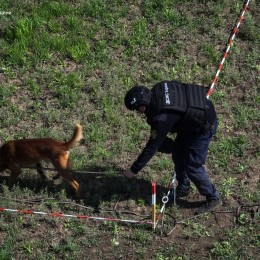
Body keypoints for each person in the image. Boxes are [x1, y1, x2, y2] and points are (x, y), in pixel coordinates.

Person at [123, 80, 221, 215]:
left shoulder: (162, 117)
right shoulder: (159, 87)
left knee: (193, 165)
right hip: (190, 122)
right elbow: (181, 87)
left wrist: (133, 170)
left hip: (202, 128)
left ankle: (213, 197)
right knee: (178, 153)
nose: (139, 113)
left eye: (138, 109)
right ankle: (184, 187)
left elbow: (151, 147)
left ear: (142, 105)